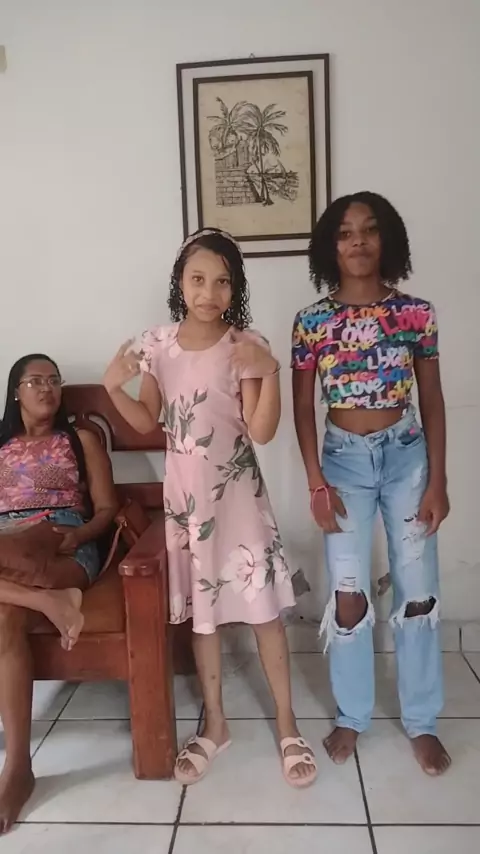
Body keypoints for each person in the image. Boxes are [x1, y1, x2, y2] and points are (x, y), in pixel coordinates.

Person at [104, 227, 317, 788]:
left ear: (234, 289)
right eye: (198, 279)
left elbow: (263, 431)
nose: (209, 292)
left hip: (239, 497)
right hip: (188, 503)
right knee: (205, 616)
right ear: (180, 282)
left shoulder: (245, 344)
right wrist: (112, 388)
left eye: (222, 282)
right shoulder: (158, 346)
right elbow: (148, 421)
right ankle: (216, 725)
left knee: (264, 612)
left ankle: (288, 724)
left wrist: (268, 368)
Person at [291, 192, 450, 776]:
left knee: (418, 589)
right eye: (345, 232)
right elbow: (301, 408)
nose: (358, 240)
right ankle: (353, 714)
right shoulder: (311, 321)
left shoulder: (416, 314)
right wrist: (315, 481)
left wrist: (438, 479)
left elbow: (431, 398)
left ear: (388, 241)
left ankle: (422, 720)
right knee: (349, 593)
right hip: (343, 465)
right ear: (329, 247)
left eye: (369, 229)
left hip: (407, 458)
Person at [0, 354, 118, 832]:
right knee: (4, 620)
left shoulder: (79, 439)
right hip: (8, 548)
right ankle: (19, 767)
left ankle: (46, 593)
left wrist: (79, 534)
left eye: (53, 380)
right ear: (15, 392)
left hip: (61, 539)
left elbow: (106, 509)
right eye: (35, 381)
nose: (46, 388)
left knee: (23, 550)